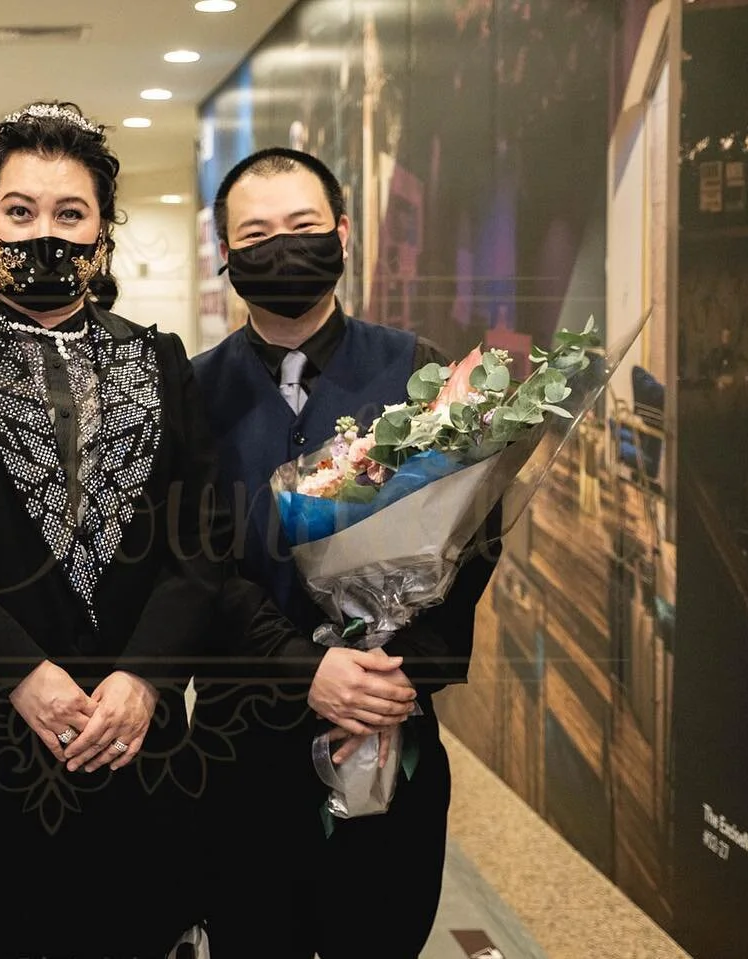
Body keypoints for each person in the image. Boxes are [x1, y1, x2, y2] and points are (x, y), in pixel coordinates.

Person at [0, 103, 333, 958]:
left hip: (130, 736)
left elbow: (202, 542)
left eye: (71, 215)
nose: (47, 235)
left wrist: (145, 679)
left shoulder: (156, 358)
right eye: (20, 211)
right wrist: (25, 674)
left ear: (104, 235)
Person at [191, 147, 500, 958]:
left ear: (344, 231)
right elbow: (193, 561)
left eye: (302, 226)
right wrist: (303, 668)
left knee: (382, 932)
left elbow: (475, 538)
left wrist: (402, 672)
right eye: (254, 235)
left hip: (387, 728)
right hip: (240, 743)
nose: (280, 248)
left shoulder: (418, 373)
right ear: (225, 253)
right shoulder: (188, 392)